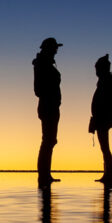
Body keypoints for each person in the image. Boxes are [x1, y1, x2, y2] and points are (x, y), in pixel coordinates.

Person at [33, 37, 62, 187]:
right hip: (48, 107)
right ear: (48, 49)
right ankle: (43, 175)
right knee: (47, 141)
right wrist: (50, 96)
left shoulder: (47, 64)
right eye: (55, 48)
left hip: (53, 107)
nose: (57, 51)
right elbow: (38, 90)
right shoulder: (42, 65)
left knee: (50, 141)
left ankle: (46, 174)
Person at [89, 54, 112, 185]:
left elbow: (106, 104)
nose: (96, 72)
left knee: (105, 147)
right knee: (104, 147)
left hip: (103, 120)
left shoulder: (106, 83)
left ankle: (108, 176)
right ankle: (107, 175)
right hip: (102, 119)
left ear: (102, 69)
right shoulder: (105, 82)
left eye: (97, 69)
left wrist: (99, 118)